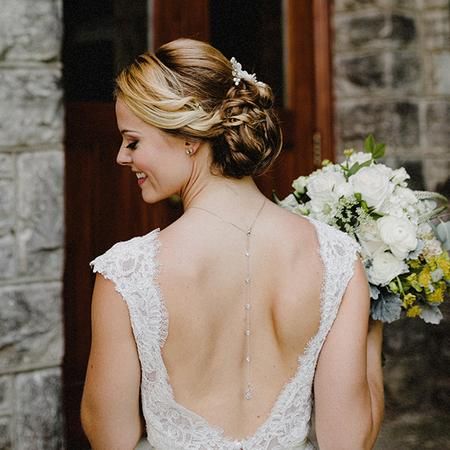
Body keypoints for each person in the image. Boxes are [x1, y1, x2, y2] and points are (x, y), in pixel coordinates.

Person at [80, 38, 384, 450]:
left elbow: (109, 438)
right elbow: (348, 440)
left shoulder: (126, 273)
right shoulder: (338, 259)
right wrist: (374, 328)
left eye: (133, 141)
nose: (121, 156)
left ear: (189, 137)